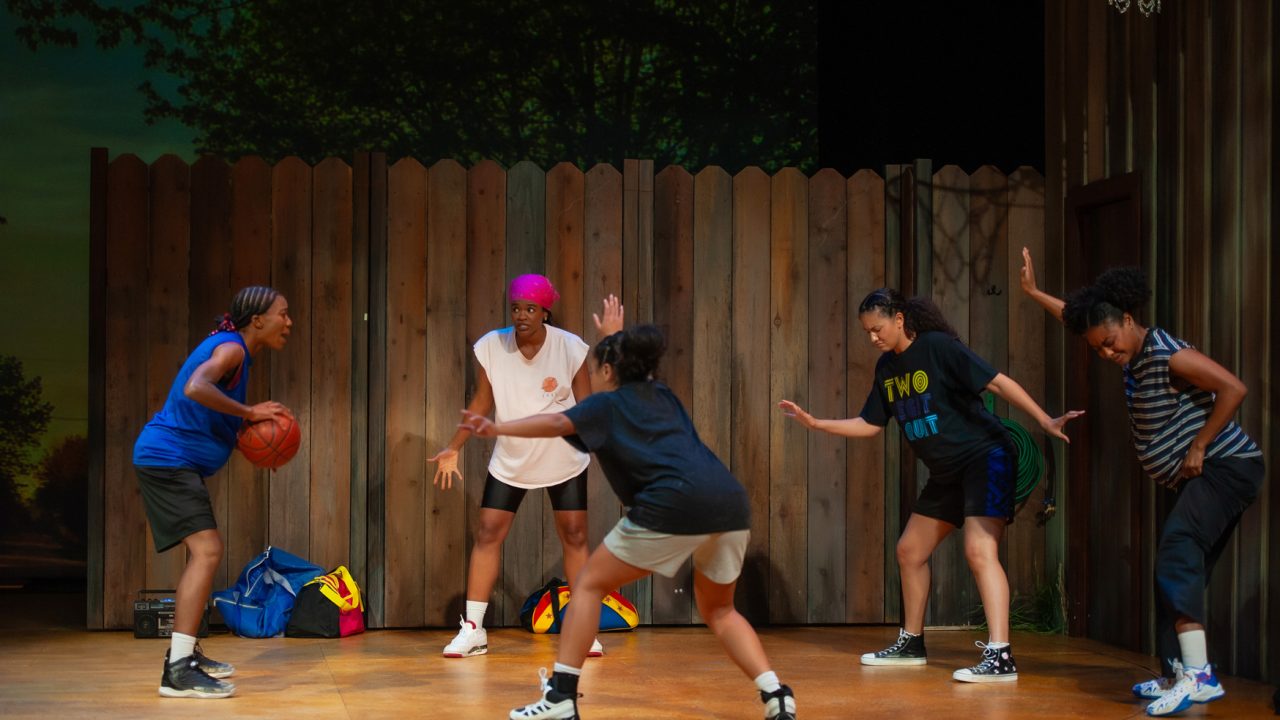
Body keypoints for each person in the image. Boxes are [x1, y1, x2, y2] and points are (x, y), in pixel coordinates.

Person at [460, 296, 797, 720]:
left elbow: (553, 422)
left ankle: (562, 697)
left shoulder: (604, 406)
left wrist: (496, 427)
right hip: (728, 504)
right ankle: (776, 694)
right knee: (720, 610)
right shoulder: (661, 394)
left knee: (585, 585)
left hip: (670, 505)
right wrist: (614, 337)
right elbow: (630, 366)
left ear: (607, 371)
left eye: (600, 367)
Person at [779, 287, 1080, 684]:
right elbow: (870, 424)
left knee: (979, 549)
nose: (873, 338)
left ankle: (1001, 655)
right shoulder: (887, 369)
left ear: (899, 319)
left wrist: (1043, 420)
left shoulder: (938, 347)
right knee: (909, 551)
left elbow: (997, 382)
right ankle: (912, 643)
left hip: (985, 457)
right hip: (946, 473)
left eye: (878, 328)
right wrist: (817, 424)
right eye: (867, 332)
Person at [1019, 248, 1264, 717]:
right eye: (1098, 350)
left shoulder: (1166, 353)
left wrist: (1198, 446)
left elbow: (1234, 388)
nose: (1108, 353)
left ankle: (1200, 677)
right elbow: (1075, 317)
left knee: (1176, 553)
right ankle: (1179, 670)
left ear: (1129, 320)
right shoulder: (1125, 348)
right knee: (1174, 569)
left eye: (1111, 341)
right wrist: (1032, 294)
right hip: (1204, 477)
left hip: (1226, 467)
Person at [430, 273, 603, 658]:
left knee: (575, 536)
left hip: (563, 456)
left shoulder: (570, 347)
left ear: (545, 311)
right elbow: (481, 402)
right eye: (515, 308)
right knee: (488, 532)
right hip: (512, 456)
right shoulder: (493, 346)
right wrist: (453, 446)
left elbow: (588, 405)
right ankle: (473, 629)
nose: (521, 315)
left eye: (530, 308)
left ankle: (583, 629)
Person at [132, 286, 293, 698]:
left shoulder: (234, 350)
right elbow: (196, 387)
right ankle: (178, 671)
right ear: (257, 320)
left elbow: (204, 408)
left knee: (204, 552)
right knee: (207, 551)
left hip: (170, 459)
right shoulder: (233, 349)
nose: (288, 322)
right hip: (167, 459)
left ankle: (185, 654)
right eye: (283, 314)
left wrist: (244, 433)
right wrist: (251, 412)